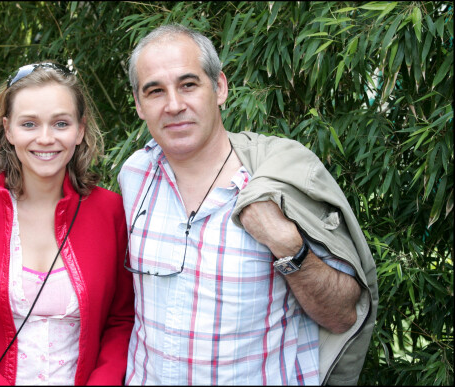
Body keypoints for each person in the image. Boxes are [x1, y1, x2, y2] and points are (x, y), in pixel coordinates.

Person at [118, 24, 378, 385]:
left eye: (188, 84)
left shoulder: (277, 181)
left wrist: (290, 247)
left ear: (220, 87)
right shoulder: (134, 176)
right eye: (155, 91)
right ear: (139, 104)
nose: (174, 105)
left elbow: (342, 316)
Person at [0, 61, 135, 385]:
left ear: (80, 130)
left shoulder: (112, 213)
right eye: (29, 124)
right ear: (8, 129)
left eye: (60, 123)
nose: (45, 138)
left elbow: (122, 320)